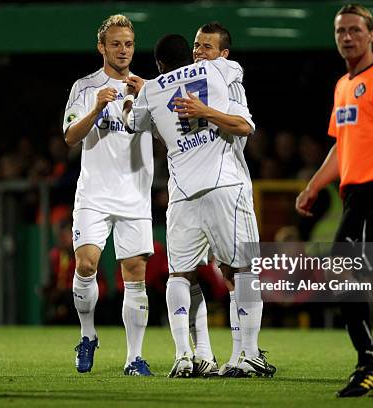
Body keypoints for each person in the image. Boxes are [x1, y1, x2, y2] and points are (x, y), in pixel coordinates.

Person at [123, 34, 275, 378]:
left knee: (179, 274)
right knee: (243, 271)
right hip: (224, 185)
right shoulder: (219, 71)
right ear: (190, 57)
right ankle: (247, 354)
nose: (201, 52)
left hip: (182, 192)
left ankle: (185, 356)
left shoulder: (151, 90)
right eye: (197, 48)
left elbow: (133, 123)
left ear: (159, 63)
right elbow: (243, 116)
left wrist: (143, 91)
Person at [295, 4, 373, 398]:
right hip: (355, 195)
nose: (347, 37)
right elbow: (341, 146)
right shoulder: (343, 85)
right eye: (340, 31)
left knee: (347, 272)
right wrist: (314, 186)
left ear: (371, 35)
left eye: (354, 30)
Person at [62, 14, 154, 376]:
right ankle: (88, 335)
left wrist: (145, 100)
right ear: (102, 46)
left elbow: (167, 135)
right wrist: (97, 108)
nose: (123, 50)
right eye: (115, 43)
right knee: (86, 265)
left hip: (135, 195)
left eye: (128, 44)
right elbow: (70, 136)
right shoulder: (85, 88)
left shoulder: (147, 88)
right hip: (94, 195)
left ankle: (134, 358)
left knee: (135, 274)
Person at [172, 22, 258, 377]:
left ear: (223, 54)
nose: (198, 52)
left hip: (228, 182)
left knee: (239, 269)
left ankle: (245, 354)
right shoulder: (186, 81)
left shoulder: (227, 77)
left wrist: (205, 112)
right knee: (224, 271)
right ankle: (227, 356)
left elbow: (244, 125)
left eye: (206, 47)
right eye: (195, 46)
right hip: (195, 191)